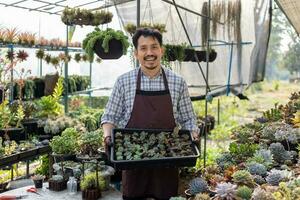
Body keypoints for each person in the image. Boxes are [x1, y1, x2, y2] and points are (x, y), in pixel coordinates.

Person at [101, 28, 199, 200]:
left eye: (154, 47)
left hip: (168, 157)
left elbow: (189, 118)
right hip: (132, 162)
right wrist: (108, 135)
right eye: (143, 48)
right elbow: (110, 117)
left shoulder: (177, 82)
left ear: (162, 50)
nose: (149, 53)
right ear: (136, 53)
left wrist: (193, 133)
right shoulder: (124, 82)